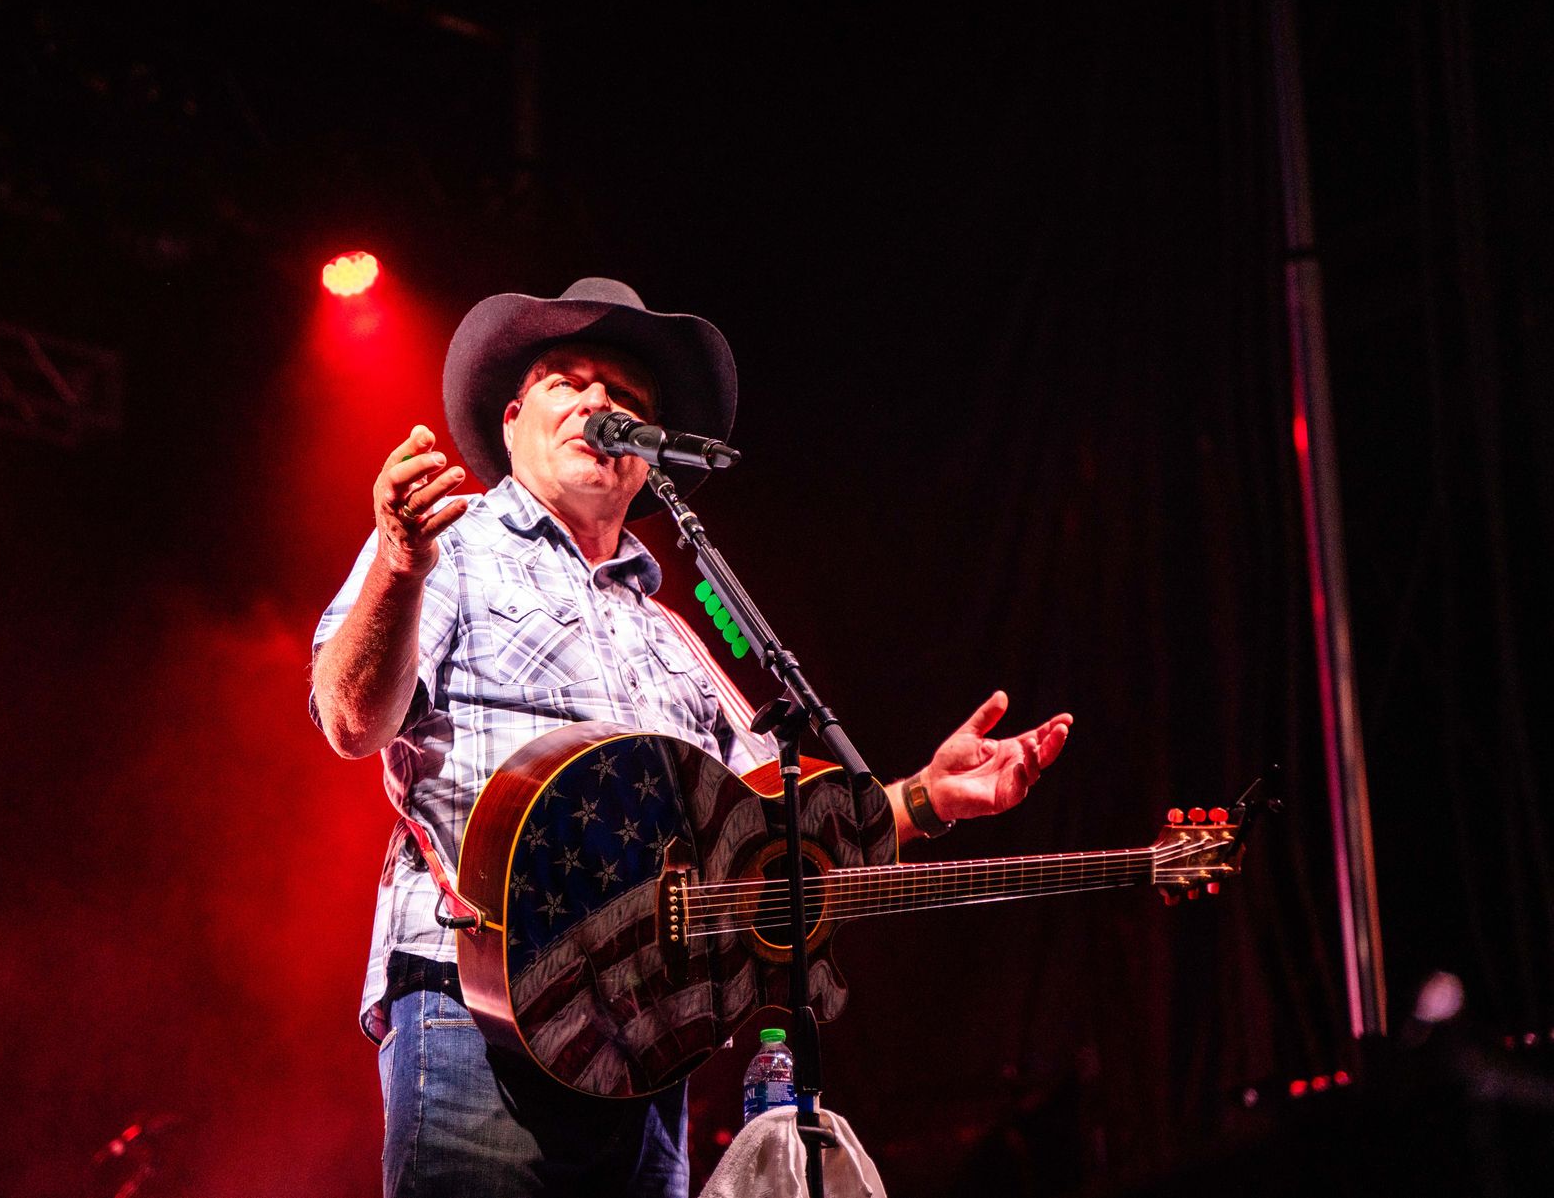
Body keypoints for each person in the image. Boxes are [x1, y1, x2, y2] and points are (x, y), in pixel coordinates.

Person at [309, 277, 1073, 1198]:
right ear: (511, 422)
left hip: (640, 1041)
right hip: (479, 1011)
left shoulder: (670, 631)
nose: (601, 404)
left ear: (648, 456)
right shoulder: (453, 546)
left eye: (627, 399)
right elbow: (352, 721)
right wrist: (398, 559)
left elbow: (777, 831)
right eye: (570, 382)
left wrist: (927, 796)